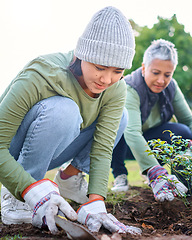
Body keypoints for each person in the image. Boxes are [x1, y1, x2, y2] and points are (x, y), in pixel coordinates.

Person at [0, 6, 142, 235]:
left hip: (55, 149)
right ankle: (16, 192)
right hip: (12, 151)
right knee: (64, 110)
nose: (107, 79)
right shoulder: (42, 74)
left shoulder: (115, 87)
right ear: (81, 54)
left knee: (121, 117)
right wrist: (28, 188)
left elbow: (103, 148)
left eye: (118, 70)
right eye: (100, 67)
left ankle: (70, 180)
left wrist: (96, 202)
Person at [111, 39, 192, 202]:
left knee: (183, 132)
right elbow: (132, 133)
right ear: (143, 68)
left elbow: (188, 120)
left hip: (149, 139)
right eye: (155, 73)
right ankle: (120, 174)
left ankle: (183, 185)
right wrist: (155, 171)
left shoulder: (172, 87)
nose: (161, 80)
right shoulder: (130, 88)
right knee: (122, 123)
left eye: (167, 75)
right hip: (124, 143)